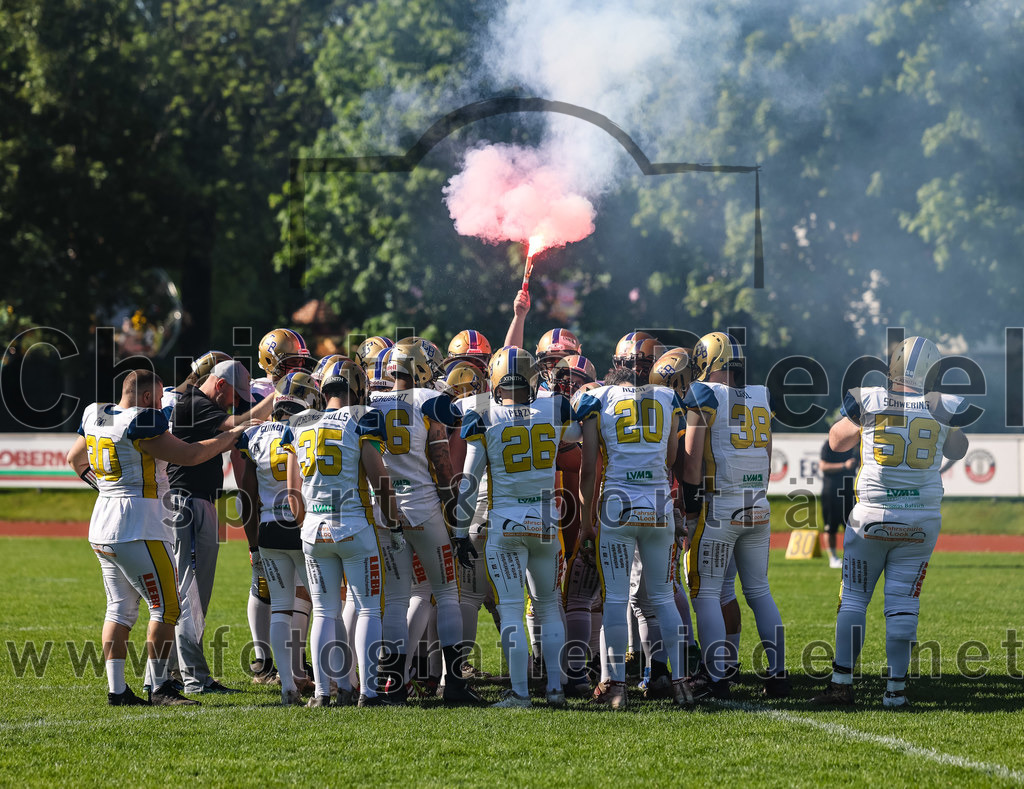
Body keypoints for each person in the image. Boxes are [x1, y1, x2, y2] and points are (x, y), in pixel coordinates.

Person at [66, 369, 250, 706]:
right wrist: (231, 436)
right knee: (168, 607)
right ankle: (160, 687)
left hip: (103, 521)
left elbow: (74, 459)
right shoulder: (143, 420)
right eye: (158, 399)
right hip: (139, 524)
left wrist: (107, 489)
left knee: (119, 609)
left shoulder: (95, 413)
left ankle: (117, 690)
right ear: (149, 397)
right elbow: (192, 455)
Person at [812, 336, 970, 709]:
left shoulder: (870, 398)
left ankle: (841, 684)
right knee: (904, 604)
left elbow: (836, 441)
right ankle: (896, 691)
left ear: (893, 367)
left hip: (872, 517)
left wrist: (865, 423)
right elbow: (958, 450)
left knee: (853, 598)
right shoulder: (942, 405)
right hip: (921, 520)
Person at [456, 346, 580, 708]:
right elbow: (575, 433)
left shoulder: (483, 414)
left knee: (511, 608)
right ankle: (556, 689)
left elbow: (468, 480)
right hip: (544, 524)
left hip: (506, 524)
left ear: (494, 380)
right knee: (547, 604)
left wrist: (461, 532)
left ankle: (521, 693)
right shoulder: (554, 408)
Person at [369, 337, 484, 705]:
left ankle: (391, 687)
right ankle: (454, 685)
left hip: (385, 511)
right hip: (423, 507)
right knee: (447, 592)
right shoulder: (429, 402)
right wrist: (456, 521)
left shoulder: (370, 403)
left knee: (397, 599)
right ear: (419, 368)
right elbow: (442, 463)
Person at [575, 364, 694, 710]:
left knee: (614, 598)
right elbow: (672, 457)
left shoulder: (598, 398)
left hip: (618, 506)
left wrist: (585, 523)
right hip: (658, 505)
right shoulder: (666, 396)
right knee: (662, 597)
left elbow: (588, 469)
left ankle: (614, 687)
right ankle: (681, 681)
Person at [285, 360, 401, 707]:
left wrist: (307, 522)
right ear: (358, 388)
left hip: (313, 530)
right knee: (367, 609)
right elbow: (378, 478)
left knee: (324, 612)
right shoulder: (362, 417)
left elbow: (293, 495)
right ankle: (367, 691)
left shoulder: (298, 423)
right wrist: (393, 519)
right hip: (353, 526)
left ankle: (324, 693)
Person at [681, 332, 789, 700]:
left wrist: (690, 507)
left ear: (707, 362)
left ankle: (716, 678)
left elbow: (692, 464)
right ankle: (778, 674)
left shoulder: (703, 393)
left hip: (720, 506)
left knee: (707, 592)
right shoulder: (761, 395)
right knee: (759, 591)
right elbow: (770, 459)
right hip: (758, 504)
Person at [166, 359, 273, 694]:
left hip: (196, 502)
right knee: (191, 594)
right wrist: (280, 392)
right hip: (186, 504)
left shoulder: (197, 403)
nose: (233, 401)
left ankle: (175, 672)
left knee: (193, 594)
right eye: (233, 395)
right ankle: (195, 678)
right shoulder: (197, 403)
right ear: (221, 384)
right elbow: (240, 422)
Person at [237, 371, 321, 705]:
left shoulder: (254, 435)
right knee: (323, 605)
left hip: (269, 528)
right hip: (299, 525)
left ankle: (289, 683)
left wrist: (253, 541)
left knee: (281, 608)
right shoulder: (303, 429)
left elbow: (246, 494)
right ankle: (327, 681)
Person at [820, 431, 859, 568]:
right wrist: (844, 465)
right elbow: (823, 466)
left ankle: (852, 556)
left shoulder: (854, 445)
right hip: (831, 490)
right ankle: (833, 559)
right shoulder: (829, 445)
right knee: (830, 527)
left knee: (854, 527)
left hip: (849, 490)